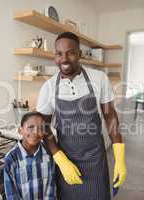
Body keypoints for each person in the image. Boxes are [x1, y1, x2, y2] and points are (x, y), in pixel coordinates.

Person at [36, 31, 127, 200]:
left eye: (70, 52)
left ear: (79, 54)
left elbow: (110, 117)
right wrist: (60, 159)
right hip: (67, 161)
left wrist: (119, 158)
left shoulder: (99, 78)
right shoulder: (48, 88)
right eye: (59, 54)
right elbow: (43, 127)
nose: (64, 59)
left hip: (95, 160)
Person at [4, 112, 56, 200]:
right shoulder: (11, 158)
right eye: (30, 127)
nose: (35, 132)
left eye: (41, 128)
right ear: (20, 130)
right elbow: (11, 194)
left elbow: (50, 188)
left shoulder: (48, 154)